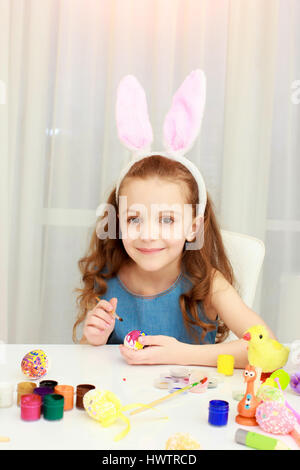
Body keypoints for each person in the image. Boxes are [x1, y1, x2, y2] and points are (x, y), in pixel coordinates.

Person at [73, 70, 275, 367]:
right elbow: (89, 364)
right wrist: (93, 340)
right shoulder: (108, 277)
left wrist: (178, 354)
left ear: (193, 227)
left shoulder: (209, 285)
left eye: (166, 220)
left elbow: (267, 349)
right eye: (133, 219)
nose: (148, 234)